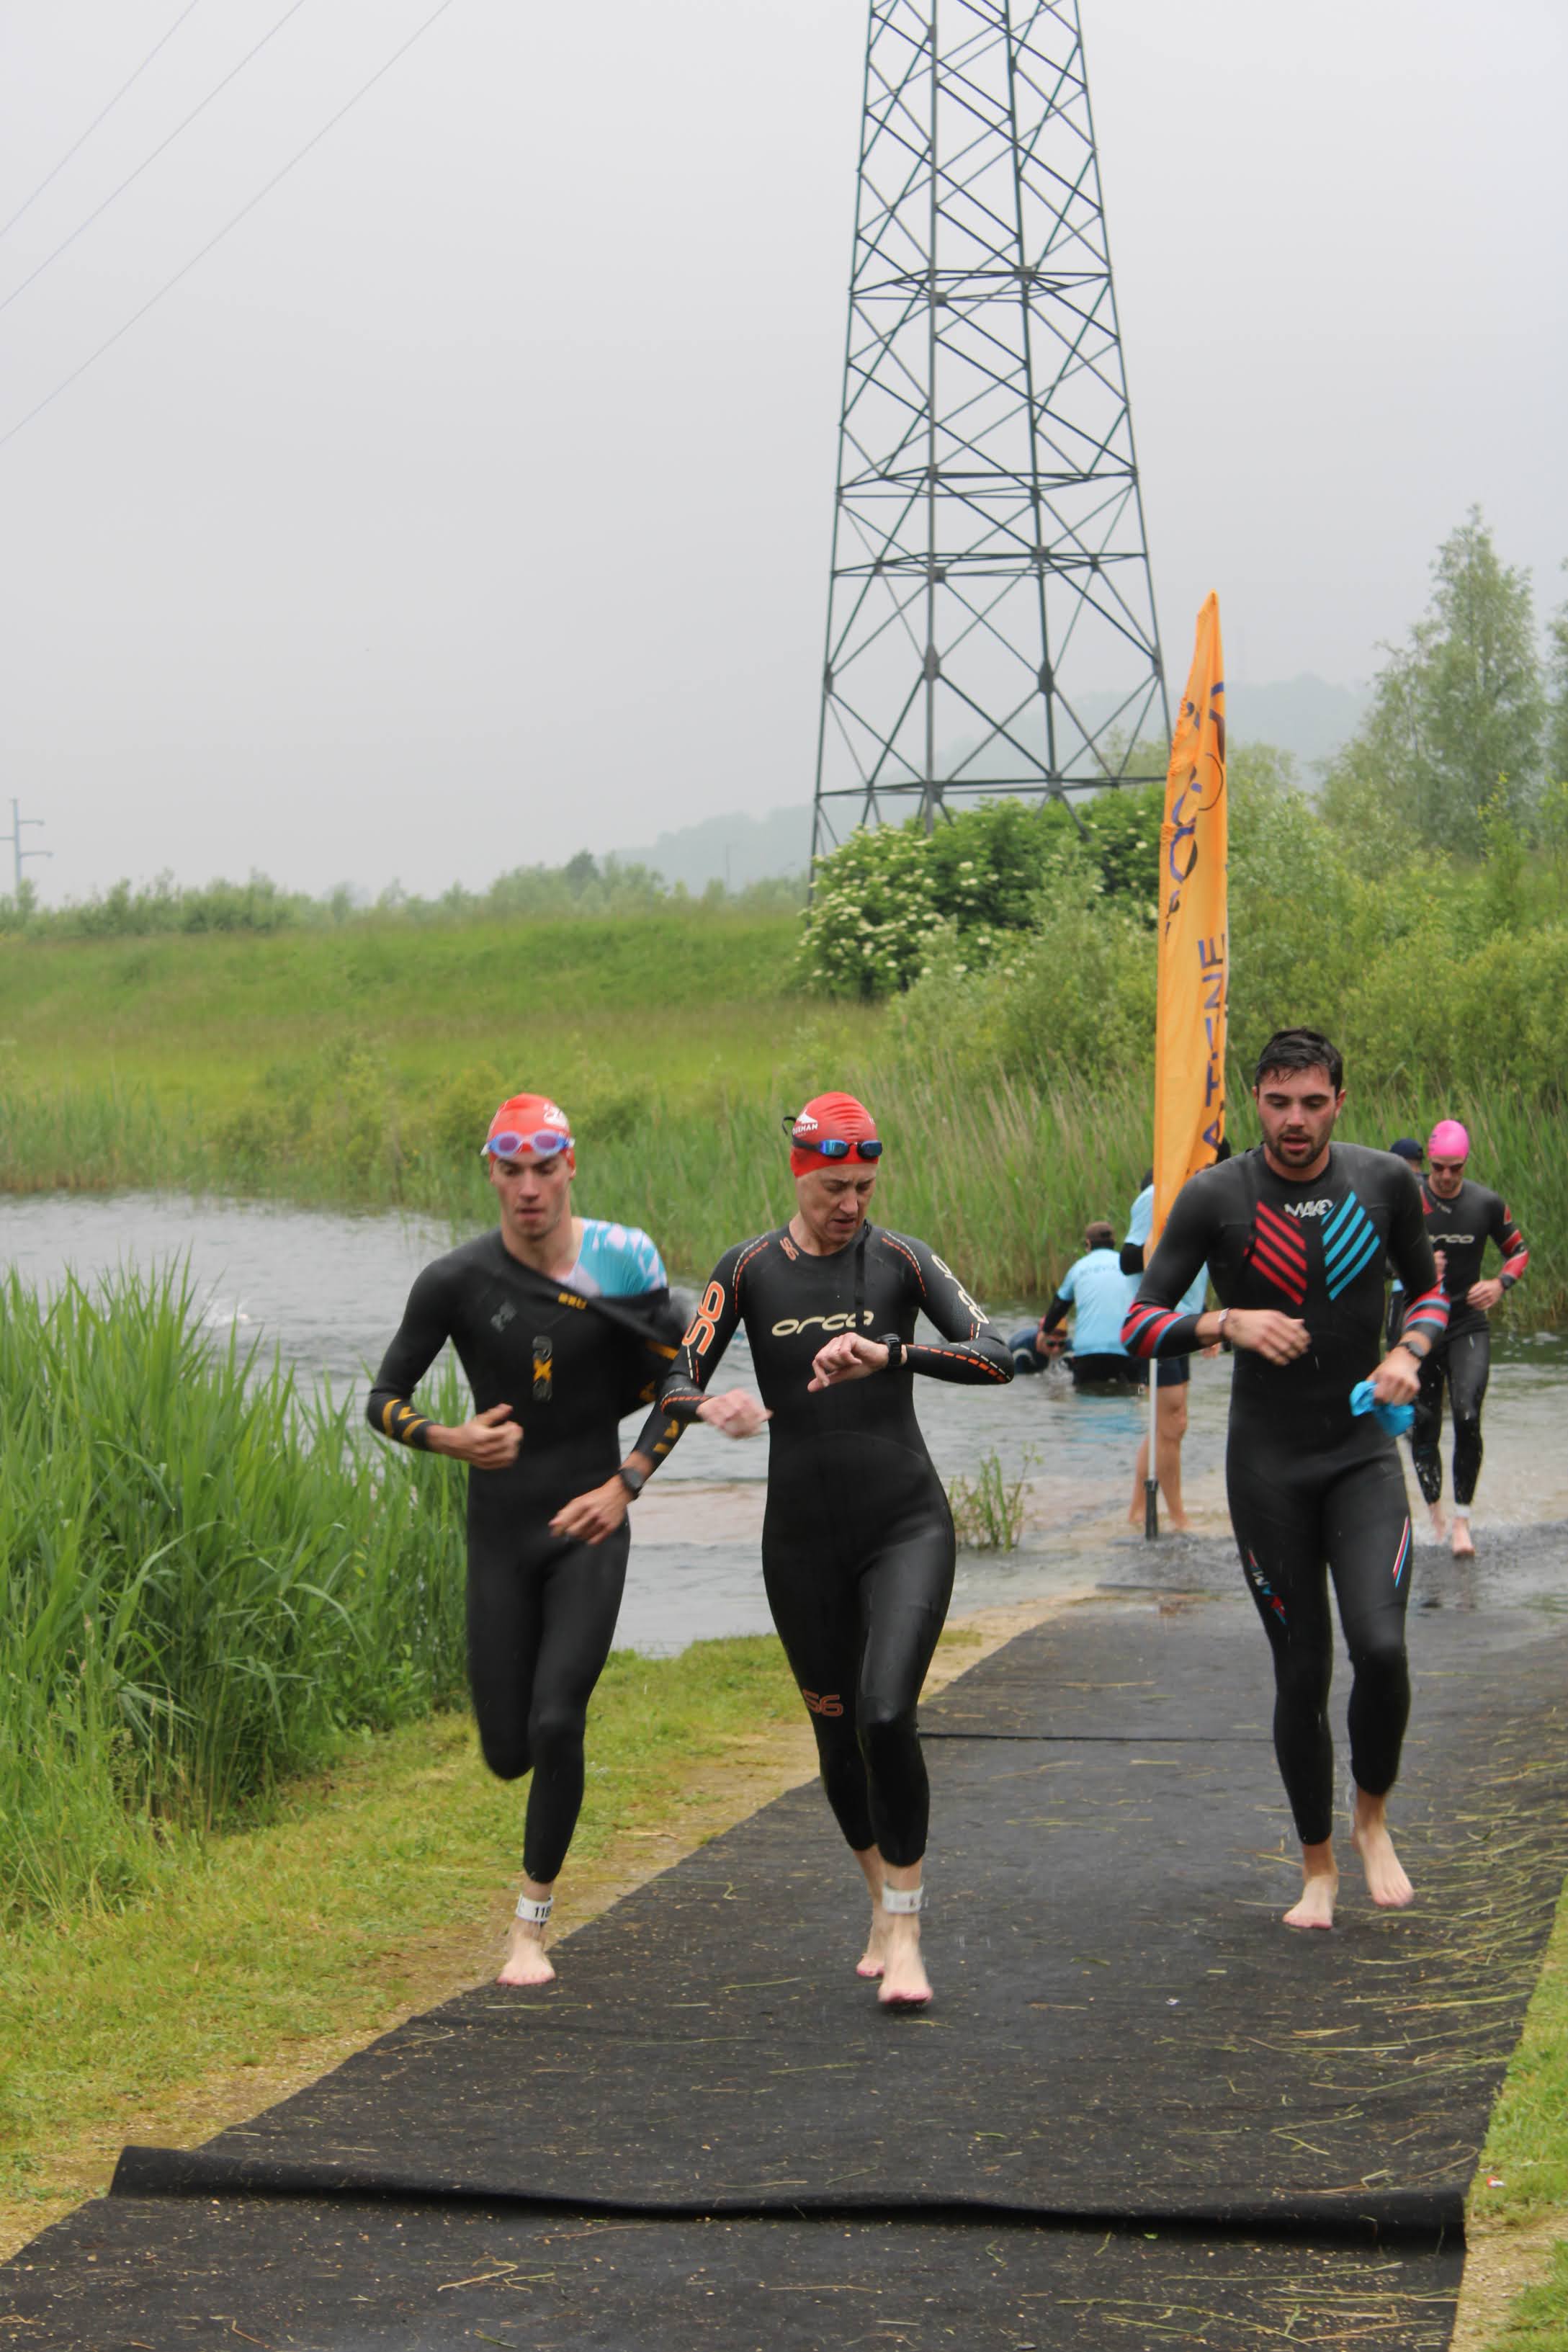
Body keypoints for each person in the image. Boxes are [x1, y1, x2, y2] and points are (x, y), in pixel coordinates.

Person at [658, 1091, 1013, 2008]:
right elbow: (674, 1378)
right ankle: (878, 1895)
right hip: (801, 1541)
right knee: (837, 1734)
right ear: (798, 1174)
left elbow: (997, 1352)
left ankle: (907, 1928)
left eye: (863, 1186)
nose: (849, 1204)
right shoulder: (745, 1269)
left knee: (886, 1714)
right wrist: (713, 1405)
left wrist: (892, 1354)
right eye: (832, 1188)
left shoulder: (902, 1260)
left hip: (905, 1524)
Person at [1123, 1029, 1449, 1930]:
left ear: (1338, 1099)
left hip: (1357, 1456)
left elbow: (1430, 1291)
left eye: (1310, 1102)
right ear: (1254, 1102)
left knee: (1380, 1649)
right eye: (1277, 1102)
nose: (1293, 1120)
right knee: (1301, 1670)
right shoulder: (1213, 1196)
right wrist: (1224, 1322)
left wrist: (1407, 1350)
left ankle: (1370, 1817)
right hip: (1266, 1466)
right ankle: (1316, 1867)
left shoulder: (1382, 1183)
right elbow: (1139, 1323)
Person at [367, 1093, 685, 1987]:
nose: (529, 1188)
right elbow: (382, 1398)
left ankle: (529, 1931)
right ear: (492, 1175)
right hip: (500, 1532)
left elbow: (677, 1381)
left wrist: (626, 1482)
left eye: (545, 1169)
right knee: (508, 1751)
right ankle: (532, 1826)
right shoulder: (454, 1281)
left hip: (590, 1520)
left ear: (570, 1166)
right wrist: (449, 1437)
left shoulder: (625, 1260)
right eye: (512, 1171)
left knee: (557, 1719)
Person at [1410, 1118, 1528, 1560]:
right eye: (1439, 1167)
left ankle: (1461, 1521)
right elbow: (1377, 1259)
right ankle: (1435, 1513)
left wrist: (1499, 1284)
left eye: (1455, 1168)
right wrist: (1417, 1265)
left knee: (1467, 1414)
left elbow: (1518, 1252)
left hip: (1466, 1323)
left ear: (1466, 1163)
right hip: (1421, 1323)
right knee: (1423, 1423)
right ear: (1429, 1161)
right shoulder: (1409, 1199)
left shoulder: (1485, 1203)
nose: (1445, 1176)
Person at [1120, 1171, 1209, 1532]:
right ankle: (1177, 1517)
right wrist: (1158, 1240)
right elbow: (1128, 1259)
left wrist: (1206, 1320)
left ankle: (1137, 1511)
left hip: (1183, 1322)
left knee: (1167, 1425)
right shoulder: (1156, 1196)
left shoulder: (1201, 1194)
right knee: (1173, 1423)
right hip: (1156, 1321)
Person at [1010, 1220, 1137, 1387]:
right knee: (1131, 1394)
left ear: (1088, 1244)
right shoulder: (1129, 1266)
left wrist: (1045, 1332)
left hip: (1087, 1352)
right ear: (1113, 1243)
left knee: (1086, 1398)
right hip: (1126, 1348)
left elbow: (1060, 1306)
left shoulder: (1078, 1268)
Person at [1383, 1138, 1425, 1350]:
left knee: (1396, 1348)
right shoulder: (1433, 1189)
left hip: (1403, 1288)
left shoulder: (1394, 1189)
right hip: (1436, 1289)